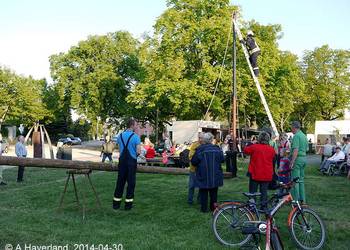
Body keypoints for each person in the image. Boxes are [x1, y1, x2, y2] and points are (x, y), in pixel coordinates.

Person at [191, 132, 224, 212]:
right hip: (214, 174)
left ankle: (204, 209)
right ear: (211, 139)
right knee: (214, 193)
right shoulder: (217, 149)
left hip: (203, 174)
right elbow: (222, 159)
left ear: (204, 140)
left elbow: (194, 162)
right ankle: (213, 209)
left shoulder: (200, 149)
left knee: (204, 192)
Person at [113, 118, 141, 210]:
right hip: (131, 163)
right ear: (132, 126)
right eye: (136, 125)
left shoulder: (120, 136)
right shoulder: (136, 137)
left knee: (120, 183)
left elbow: (116, 147)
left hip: (122, 162)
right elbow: (138, 151)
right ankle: (128, 205)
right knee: (131, 184)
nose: (137, 126)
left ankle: (116, 204)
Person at [244, 132, 275, 210]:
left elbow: (245, 150)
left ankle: (252, 206)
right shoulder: (271, 149)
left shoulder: (254, 147)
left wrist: (251, 143)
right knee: (264, 192)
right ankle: (263, 207)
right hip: (266, 173)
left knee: (252, 191)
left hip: (255, 172)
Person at [290, 121, 308, 203]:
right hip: (304, 158)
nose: (291, 130)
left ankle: (295, 199)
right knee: (301, 180)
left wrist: (292, 162)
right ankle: (303, 200)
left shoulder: (296, 136)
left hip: (298, 159)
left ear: (294, 127)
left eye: (291, 128)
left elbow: (296, 150)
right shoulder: (304, 135)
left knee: (295, 180)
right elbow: (307, 148)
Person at [187, 133, 204, 205]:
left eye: (201, 138)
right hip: (193, 169)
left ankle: (199, 200)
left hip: (202, 169)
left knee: (201, 185)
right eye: (199, 137)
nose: (200, 139)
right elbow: (190, 156)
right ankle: (190, 200)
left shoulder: (205, 145)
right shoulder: (194, 145)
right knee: (191, 185)